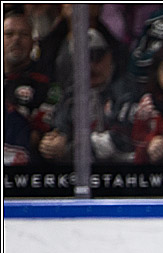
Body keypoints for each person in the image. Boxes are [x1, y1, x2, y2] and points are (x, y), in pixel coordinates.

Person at [37, 28, 134, 163]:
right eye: (84, 59)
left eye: (97, 57)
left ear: (109, 57)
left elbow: (121, 140)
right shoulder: (71, 95)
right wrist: (51, 143)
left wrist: (69, 148)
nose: (91, 66)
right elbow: (60, 128)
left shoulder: (125, 90)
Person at [4, 10, 60, 165]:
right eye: (9, 34)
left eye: (23, 34)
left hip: (27, 171)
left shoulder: (45, 82)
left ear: (33, 42)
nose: (16, 39)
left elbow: (37, 137)